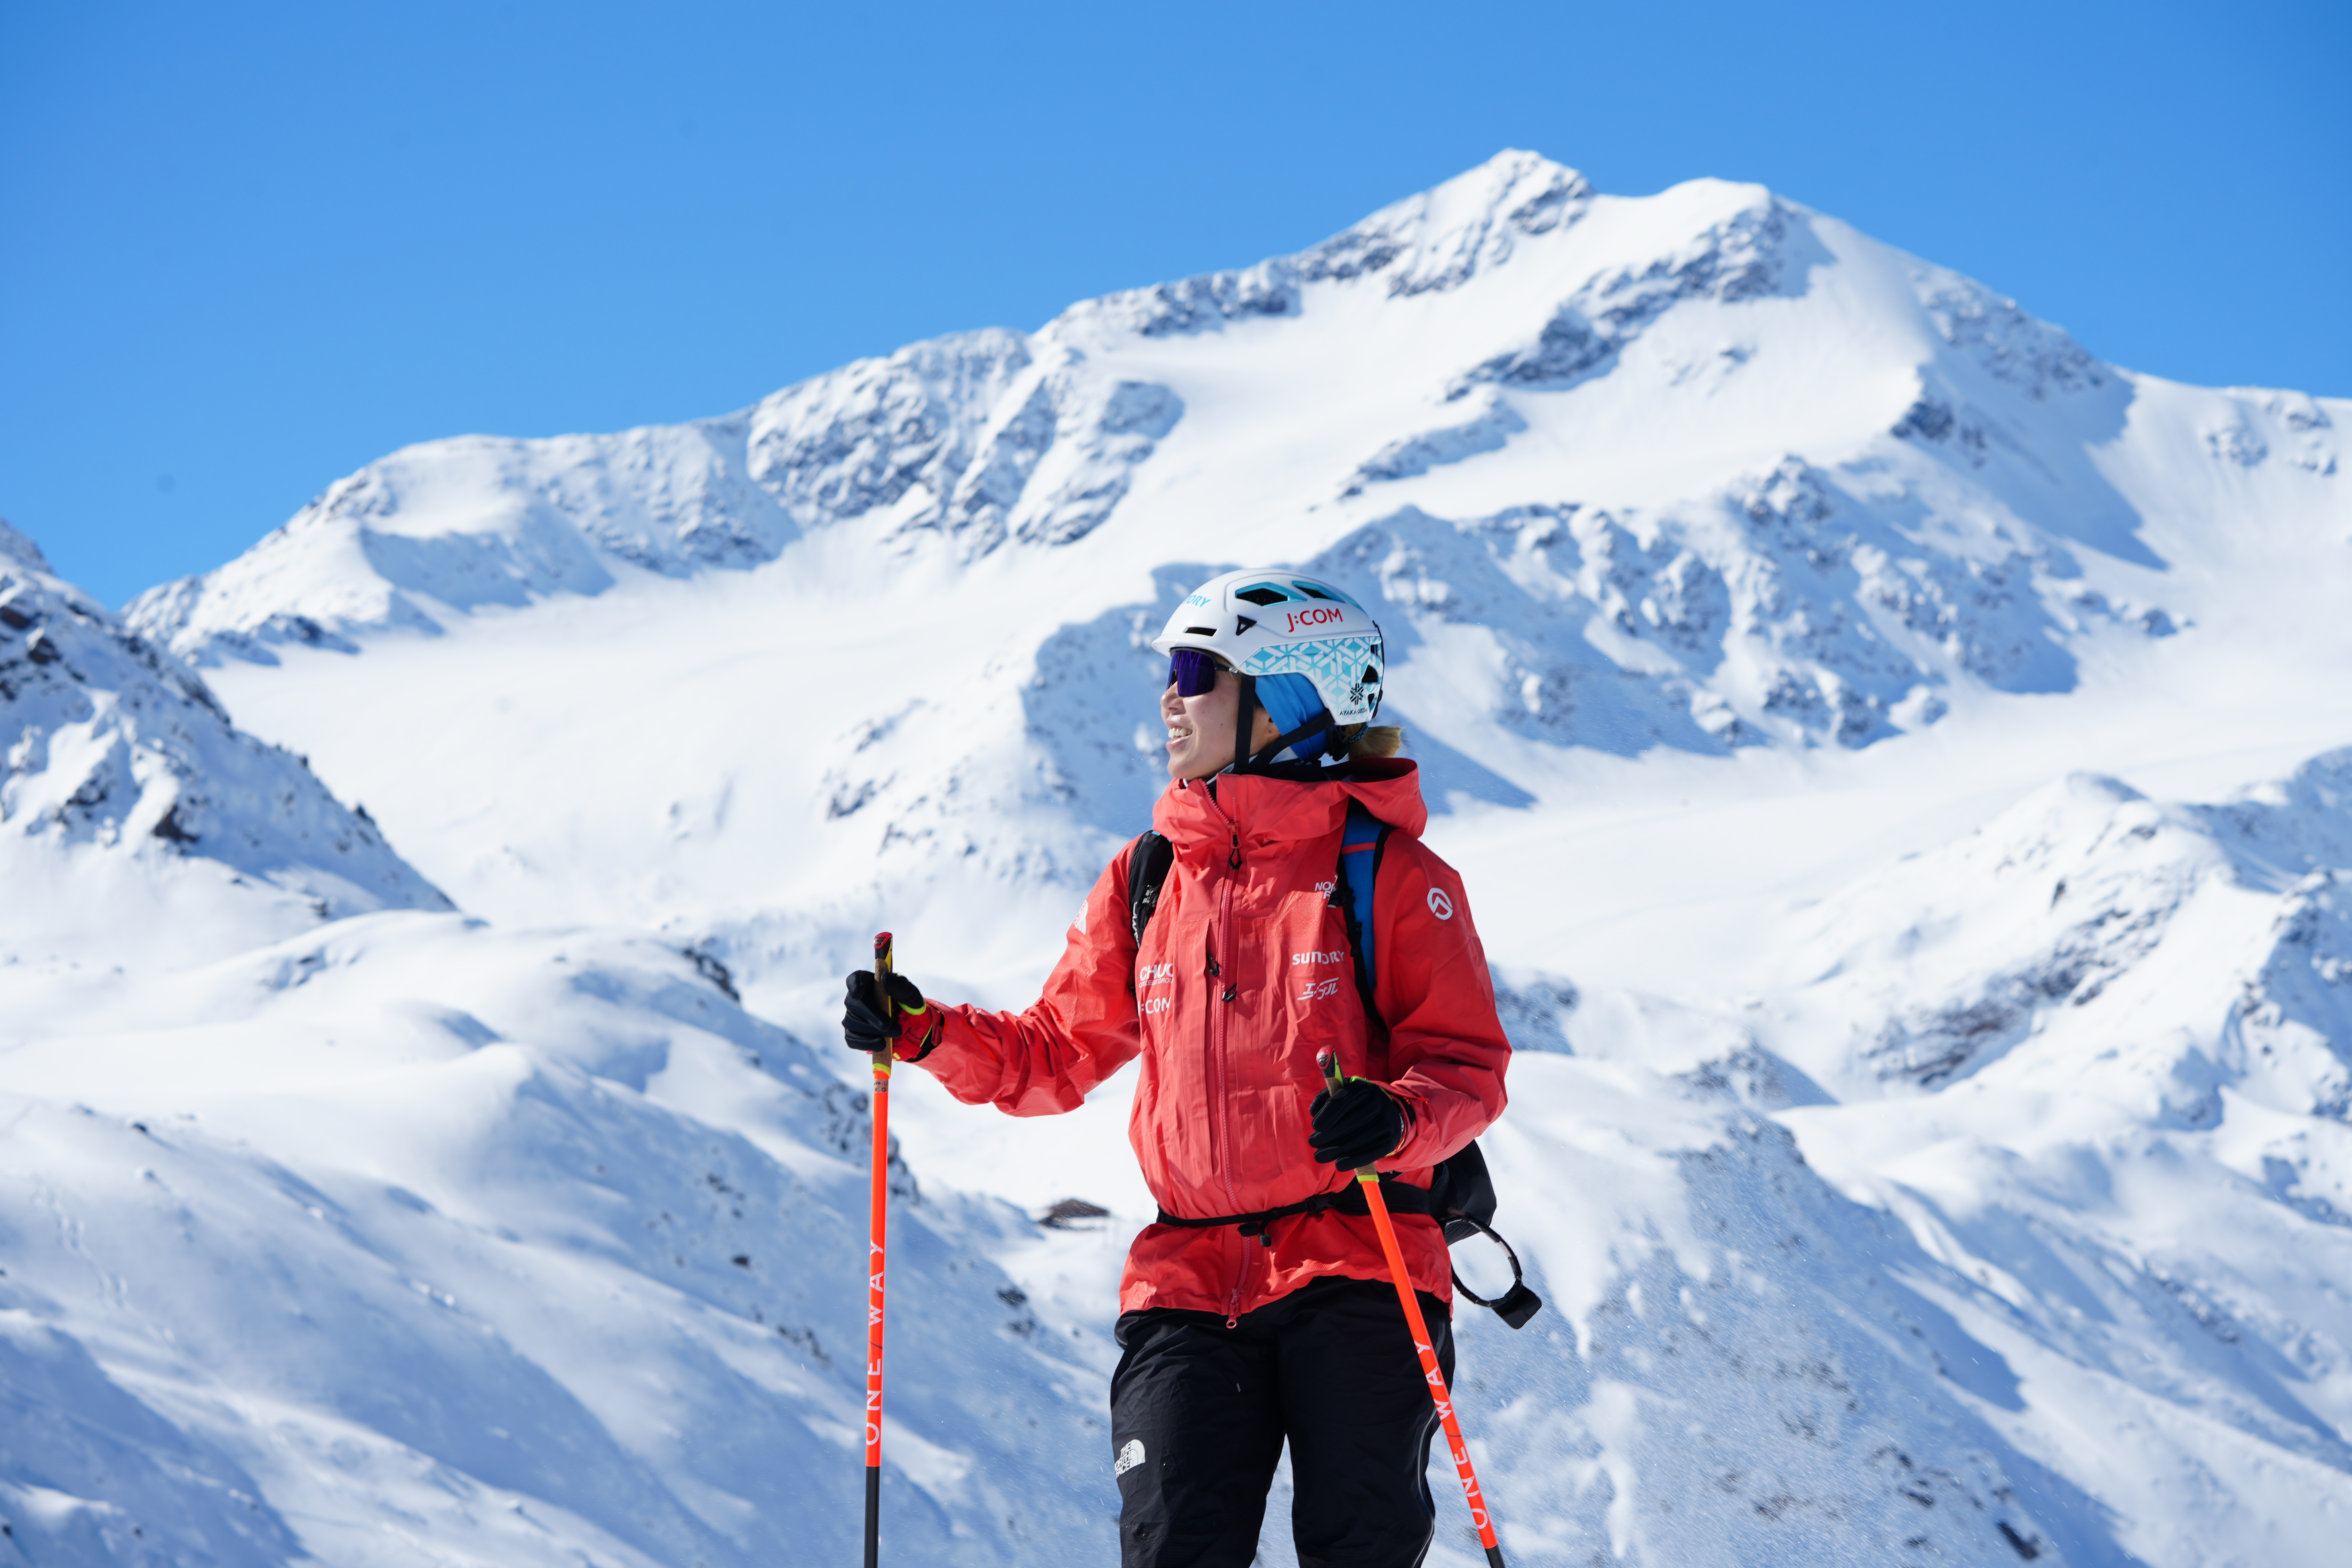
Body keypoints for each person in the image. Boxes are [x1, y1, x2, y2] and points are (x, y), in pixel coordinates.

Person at [842, 568, 1511, 1568]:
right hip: (1187, 1283)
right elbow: (1056, 1054)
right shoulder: (1149, 874)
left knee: (1359, 1546)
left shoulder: (1391, 876)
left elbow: (1466, 1067)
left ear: (1288, 696)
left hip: (1360, 1260)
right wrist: (926, 1032)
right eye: (1172, 669)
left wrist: (1397, 1118)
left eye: (1197, 670)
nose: (1171, 696)